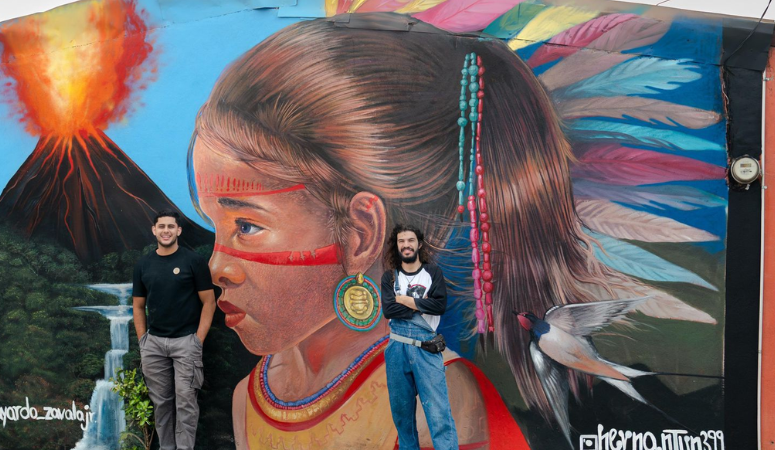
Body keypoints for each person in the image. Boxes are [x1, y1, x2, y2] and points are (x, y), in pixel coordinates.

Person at [185, 11, 671, 449]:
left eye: (246, 225)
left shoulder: (431, 400)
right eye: (215, 225)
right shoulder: (253, 397)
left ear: (360, 235)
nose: (217, 266)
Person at [132, 210, 216, 450]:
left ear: (178, 230)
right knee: (161, 404)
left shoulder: (193, 262)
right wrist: (143, 341)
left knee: (186, 403)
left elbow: (209, 302)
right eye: (161, 226)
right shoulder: (143, 265)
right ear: (154, 230)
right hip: (154, 345)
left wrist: (197, 340)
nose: (166, 230)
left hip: (185, 343)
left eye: (171, 226)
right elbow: (138, 306)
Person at [381, 224, 458, 450]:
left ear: (419, 244)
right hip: (397, 350)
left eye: (410, 241)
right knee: (402, 416)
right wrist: (423, 305)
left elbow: (440, 305)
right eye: (402, 241)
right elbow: (389, 310)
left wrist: (405, 300)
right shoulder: (389, 277)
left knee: (438, 414)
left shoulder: (432, 274)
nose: (406, 245)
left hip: (427, 348)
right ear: (397, 246)